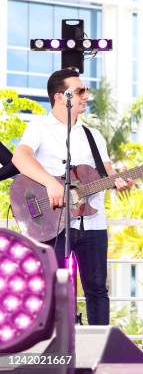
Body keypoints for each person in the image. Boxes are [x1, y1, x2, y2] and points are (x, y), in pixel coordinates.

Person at [12, 68, 132, 325]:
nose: (85, 95)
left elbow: (107, 171)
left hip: (93, 223)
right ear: (59, 96)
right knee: (52, 289)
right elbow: (20, 157)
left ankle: (99, 352)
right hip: (52, 222)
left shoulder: (93, 135)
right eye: (79, 91)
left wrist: (118, 181)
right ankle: (53, 347)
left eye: (86, 90)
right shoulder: (40, 127)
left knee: (98, 289)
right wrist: (50, 184)